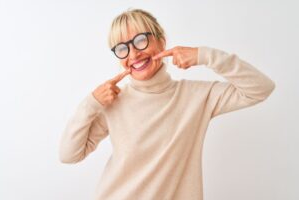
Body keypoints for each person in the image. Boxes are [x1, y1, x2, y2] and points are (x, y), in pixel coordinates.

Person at [59, 8, 276, 200]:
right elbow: (69, 155)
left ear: (161, 41)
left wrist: (204, 55)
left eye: (140, 40)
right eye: (122, 48)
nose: (134, 53)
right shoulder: (113, 102)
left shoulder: (197, 96)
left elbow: (260, 88)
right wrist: (91, 104)